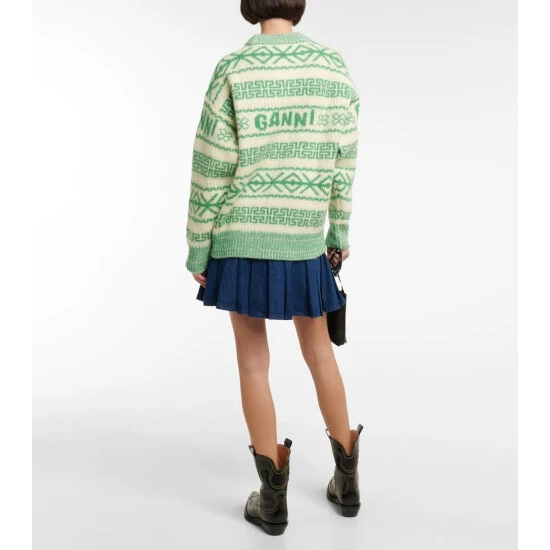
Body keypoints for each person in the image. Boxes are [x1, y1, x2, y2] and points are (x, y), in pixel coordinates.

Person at [184, 0, 364, 535]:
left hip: (240, 238)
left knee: (252, 364)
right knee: (320, 352)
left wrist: (198, 247)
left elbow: (210, 165)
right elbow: (343, 161)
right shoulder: (331, 68)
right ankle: (348, 482)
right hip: (304, 238)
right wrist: (338, 233)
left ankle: (271, 499)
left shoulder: (233, 69)